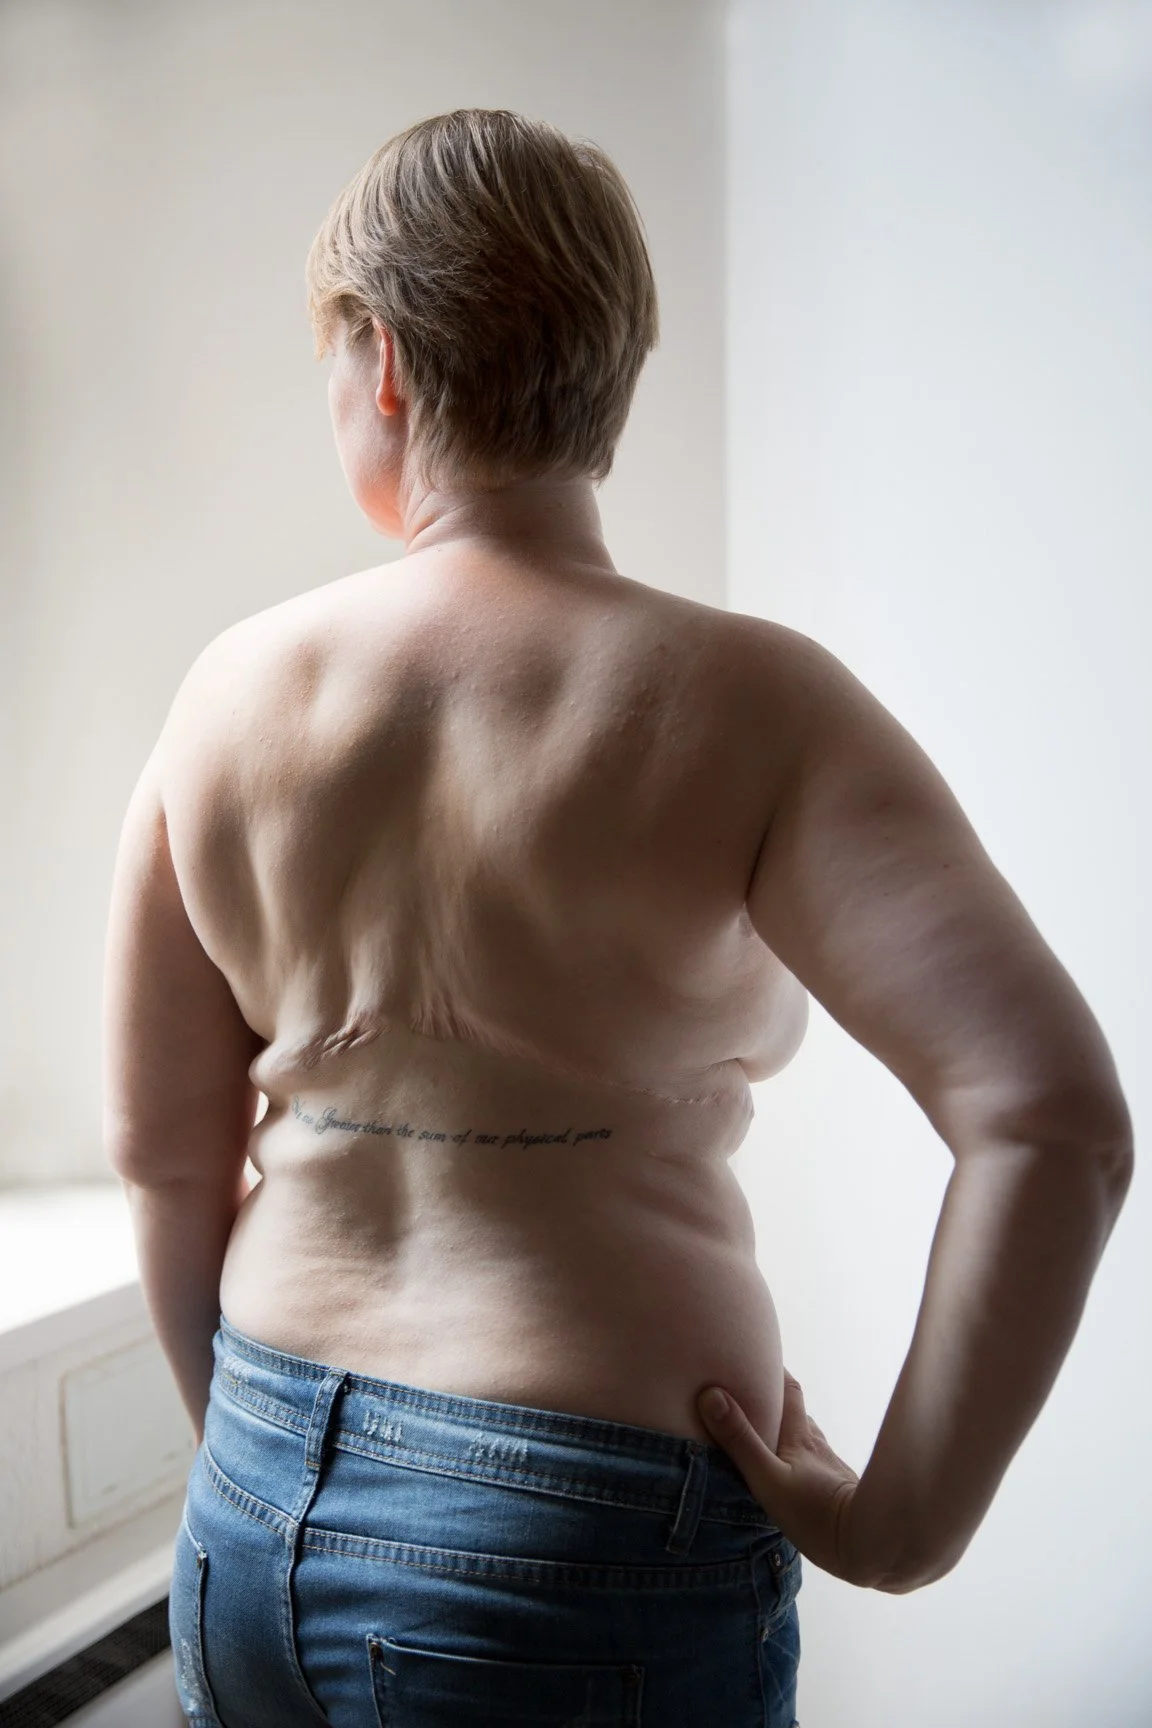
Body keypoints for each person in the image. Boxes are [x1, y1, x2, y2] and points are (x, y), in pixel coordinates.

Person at [103, 108, 1133, 1728]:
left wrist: (261, 1461)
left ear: (380, 363)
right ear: (613, 373)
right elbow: (1052, 1123)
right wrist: (905, 1524)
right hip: (569, 1548)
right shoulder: (750, 704)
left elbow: (168, 1165)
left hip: (249, 1518)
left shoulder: (225, 698)